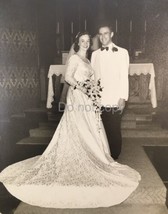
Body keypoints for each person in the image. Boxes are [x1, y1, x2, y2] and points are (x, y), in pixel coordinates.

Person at [0, 32, 140, 209]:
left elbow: (91, 79)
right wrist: (83, 88)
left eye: (88, 41)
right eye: (82, 41)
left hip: (87, 98)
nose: (86, 44)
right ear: (77, 42)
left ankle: (93, 154)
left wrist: (93, 92)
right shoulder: (74, 59)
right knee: (78, 127)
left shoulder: (88, 60)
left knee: (90, 128)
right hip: (78, 98)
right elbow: (68, 77)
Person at [91, 24, 129, 160]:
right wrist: (93, 97)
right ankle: (104, 157)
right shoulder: (95, 55)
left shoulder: (122, 52)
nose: (103, 37)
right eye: (100, 34)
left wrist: (123, 97)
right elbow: (94, 77)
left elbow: (124, 76)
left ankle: (115, 157)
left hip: (115, 98)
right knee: (102, 130)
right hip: (100, 99)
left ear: (111, 34)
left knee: (114, 129)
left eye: (106, 33)